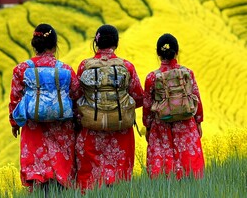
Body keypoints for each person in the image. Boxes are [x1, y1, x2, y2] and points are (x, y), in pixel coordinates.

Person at [8, 23, 80, 193]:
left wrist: (14, 122)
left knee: (37, 174)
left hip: (34, 128)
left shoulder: (21, 69)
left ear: (34, 45)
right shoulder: (65, 69)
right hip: (61, 128)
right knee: (61, 174)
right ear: (55, 46)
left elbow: (15, 99)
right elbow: (76, 95)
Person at [75, 24, 144, 191]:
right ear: (116, 43)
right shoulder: (127, 66)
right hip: (121, 131)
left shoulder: (85, 65)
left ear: (96, 43)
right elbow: (139, 98)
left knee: (91, 180)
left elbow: (76, 96)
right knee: (120, 179)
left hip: (92, 129)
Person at [142, 33, 205, 179]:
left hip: (161, 125)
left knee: (164, 165)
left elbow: (147, 105)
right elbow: (196, 98)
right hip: (186, 123)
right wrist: (198, 121)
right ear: (177, 51)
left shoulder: (152, 77)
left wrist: (148, 126)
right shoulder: (187, 73)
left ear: (158, 53)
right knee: (188, 163)